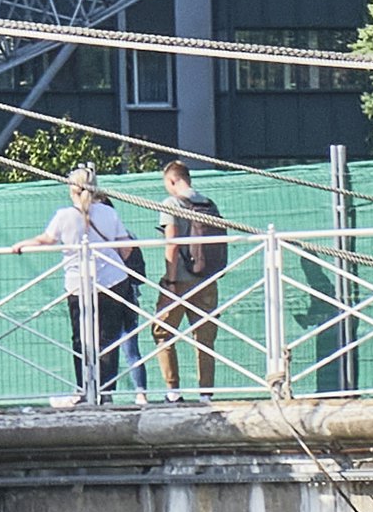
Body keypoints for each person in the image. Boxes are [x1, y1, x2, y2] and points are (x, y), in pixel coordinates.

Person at [33, 164, 139, 402]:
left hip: (77, 284)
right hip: (112, 280)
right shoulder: (108, 213)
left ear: (72, 188)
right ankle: (106, 392)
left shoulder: (64, 215)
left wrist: (21, 245)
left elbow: (47, 240)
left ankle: (83, 389)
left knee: (80, 338)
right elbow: (126, 246)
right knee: (108, 338)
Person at [152, 160, 232, 398]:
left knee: (162, 332)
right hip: (208, 280)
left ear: (172, 180)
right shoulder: (209, 204)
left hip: (181, 279)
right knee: (204, 338)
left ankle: (173, 391)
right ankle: (206, 393)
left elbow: (172, 244)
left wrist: (170, 281)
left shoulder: (171, 203)